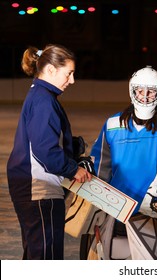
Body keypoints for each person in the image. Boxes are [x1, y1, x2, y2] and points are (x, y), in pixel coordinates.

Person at [87, 66, 157, 260]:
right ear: (132, 91)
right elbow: (102, 163)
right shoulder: (113, 124)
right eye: (140, 91)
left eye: (151, 91)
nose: (144, 96)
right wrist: (97, 198)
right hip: (116, 207)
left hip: (151, 209)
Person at [7, 44, 93, 260]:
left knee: (38, 253)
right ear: (51, 69)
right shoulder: (44, 100)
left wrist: (74, 148)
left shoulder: (41, 96)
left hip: (32, 186)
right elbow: (45, 150)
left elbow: (45, 139)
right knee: (46, 257)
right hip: (39, 189)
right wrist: (73, 169)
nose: (72, 81)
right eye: (69, 73)